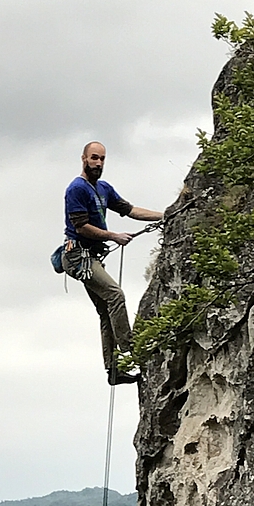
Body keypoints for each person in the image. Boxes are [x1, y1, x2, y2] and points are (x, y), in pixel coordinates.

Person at [63, 141, 162, 384]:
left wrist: (165, 214)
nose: (98, 163)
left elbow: (129, 210)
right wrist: (113, 236)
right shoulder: (77, 189)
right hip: (77, 257)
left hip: (90, 257)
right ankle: (130, 348)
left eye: (102, 159)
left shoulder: (104, 188)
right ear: (84, 159)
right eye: (94, 158)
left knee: (106, 311)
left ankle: (114, 371)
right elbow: (81, 226)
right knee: (115, 295)